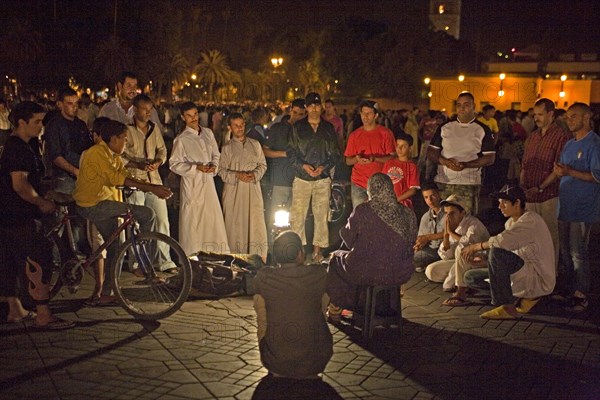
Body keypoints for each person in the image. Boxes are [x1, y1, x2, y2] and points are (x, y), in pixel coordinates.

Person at [73, 118, 172, 304]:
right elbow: (116, 177)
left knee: (115, 248)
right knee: (147, 214)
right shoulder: (96, 153)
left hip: (104, 203)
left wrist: (150, 186)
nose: (126, 143)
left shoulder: (113, 155)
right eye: (124, 139)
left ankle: (107, 293)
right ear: (114, 139)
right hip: (93, 204)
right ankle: (145, 264)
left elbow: (126, 176)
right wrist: (152, 189)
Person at [0, 101, 75, 329]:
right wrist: (41, 202)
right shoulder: (18, 149)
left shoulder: (19, 146)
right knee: (39, 259)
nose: (41, 126)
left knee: (10, 263)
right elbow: (20, 184)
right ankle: (43, 314)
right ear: (21, 122)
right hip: (20, 216)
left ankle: (15, 310)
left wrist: (49, 194)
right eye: (37, 122)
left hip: (8, 215)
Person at [326, 173, 417, 318]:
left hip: (368, 270)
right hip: (401, 271)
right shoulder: (408, 213)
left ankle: (335, 310)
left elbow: (348, 237)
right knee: (358, 257)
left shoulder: (364, 210)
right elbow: (412, 241)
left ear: (370, 190)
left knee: (336, 259)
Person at [461, 185, 555, 319]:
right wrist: (485, 261)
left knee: (495, 252)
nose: (500, 207)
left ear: (517, 203)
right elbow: (508, 252)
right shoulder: (510, 222)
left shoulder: (531, 220)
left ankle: (508, 307)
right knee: (471, 277)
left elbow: (501, 242)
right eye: (499, 203)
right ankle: (517, 298)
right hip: (521, 272)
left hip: (536, 277)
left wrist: (477, 246)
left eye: (504, 202)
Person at [253, 230, 332, 379]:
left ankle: (277, 348)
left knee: (260, 299)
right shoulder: (318, 274)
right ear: (300, 254)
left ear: (276, 257)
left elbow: (257, 285)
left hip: (276, 362)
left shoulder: (264, 276)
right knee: (323, 294)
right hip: (315, 363)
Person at [553, 102, 600, 311]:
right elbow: (562, 170)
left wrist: (570, 172)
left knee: (578, 252)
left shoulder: (594, 144)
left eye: (573, 116)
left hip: (583, 207)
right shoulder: (569, 144)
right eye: (567, 117)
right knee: (565, 252)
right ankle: (569, 289)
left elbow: (597, 176)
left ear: (586, 117)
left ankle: (582, 294)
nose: (569, 120)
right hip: (565, 206)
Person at [123, 94, 176, 272]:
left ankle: (163, 261)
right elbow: (119, 156)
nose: (148, 113)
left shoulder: (154, 129)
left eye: (150, 109)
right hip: (135, 182)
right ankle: (137, 262)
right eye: (144, 109)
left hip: (154, 181)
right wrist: (136, 163)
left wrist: (158, 162)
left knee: (162, 221)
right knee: (136, 225)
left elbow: (162, 150)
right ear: (135, 109)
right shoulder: (126, 130)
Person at [169, 102, 229, 256]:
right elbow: (174, 164)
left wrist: (213, 165)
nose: (193, 118)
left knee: (212, 219)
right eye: (189, 116)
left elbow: (216, 153)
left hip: (208, 183)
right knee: (193, 222)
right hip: (192, 185)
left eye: (195, 114)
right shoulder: (181, 139)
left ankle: (216, 254)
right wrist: (196, 168)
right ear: (183, 117)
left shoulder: (208, 133)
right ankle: (192, 258)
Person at [287, 92, 340, 263]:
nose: (315, 108)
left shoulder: (328, 128)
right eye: (311, 105)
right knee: (297, 217)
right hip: (302, 178)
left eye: (317, 105)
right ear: (306, 107)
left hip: (322, 179)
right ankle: (299, 252)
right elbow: (291, 152)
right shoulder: (297, 128)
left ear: (321, 106)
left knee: (321, 216)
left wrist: (323, 167)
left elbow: (335, 154)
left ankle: (318, 252)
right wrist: (304, 166)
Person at [520, 98, 569, 272]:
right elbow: (525, 164)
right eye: (535, 115)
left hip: (549, 195)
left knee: (549, 237)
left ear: (551, 114)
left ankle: (550, 274)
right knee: (531, 236)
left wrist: (540, 187)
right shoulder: (533, 136)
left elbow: (558, 169)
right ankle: (533, 272)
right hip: (530, 194)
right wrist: (523, 186)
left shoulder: (561, 137)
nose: (536, 118)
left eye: (540, 114)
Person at [427, 92, 495, 215]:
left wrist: (465, 165)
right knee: (442, 222)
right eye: (458, 105)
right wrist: (445, 162)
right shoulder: (445, 127)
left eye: (466, 104)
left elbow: (490, 158)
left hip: (468, 184)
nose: (461, 108)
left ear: (474, 106)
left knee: (465, 223)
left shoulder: (482, 129)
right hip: (444, 183)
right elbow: (431, 152)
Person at [219, 113, 268, 261]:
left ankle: (257, 259)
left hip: (253, 190)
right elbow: (221, 171)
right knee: (235, 226)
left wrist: (254, 175)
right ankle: (235, 260)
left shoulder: (255, 144)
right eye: (236, 126)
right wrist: (238, 175)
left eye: (242, 125)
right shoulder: (227, 148)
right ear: (230, 127)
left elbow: (263, 165)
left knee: (255, 224)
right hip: (234, 193)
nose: (240, 128)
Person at [426, 194, 489, 297]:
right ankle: (458, 280)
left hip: (477, 262)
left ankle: (459, 286)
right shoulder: (454, 225)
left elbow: (467, 245)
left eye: (452, 213)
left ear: (463, 212)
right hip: (459, 262)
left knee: (462, 251)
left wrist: (451, 232)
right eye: (446, 213)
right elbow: (446, 256)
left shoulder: (474, 224)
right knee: (432, 271)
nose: (449, 217)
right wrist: (446, 236)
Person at [344, 100, 395, 208]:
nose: (365, 117)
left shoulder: (385, 134)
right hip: (359, 183)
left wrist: (375, 159)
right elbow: (348, 161)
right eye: (363, 113)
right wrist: (356, 159)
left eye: (369, 113)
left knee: (379, 217)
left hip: (379, 183)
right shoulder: (355, 135)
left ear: (376, 115)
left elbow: (392, 158)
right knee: (360, 217)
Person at [44, 87, 94, 194]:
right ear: (60, 104)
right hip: (63, 177)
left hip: (83, 173)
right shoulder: (54, 125)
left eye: (76, 103)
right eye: (70, 103)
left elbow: (89, 147)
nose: (75, 107)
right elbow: (55, 155)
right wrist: (75, 171)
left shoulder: (81, 124)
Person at [98, 71, 163, 132]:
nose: (133, 89)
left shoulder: (148, 109)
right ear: (120, 86)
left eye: (135, 86)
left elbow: (158, 132)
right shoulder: (107, 110)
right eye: (129, 85)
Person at [413, 182, 446, 273]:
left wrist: (428, 237)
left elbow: (452, 233)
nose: (430, 200)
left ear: (439, 195)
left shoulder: (449, 212)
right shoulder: (425, 217)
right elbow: (421, 239)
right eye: (426, 197)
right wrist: (418, 245)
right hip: (430, 250)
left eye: (432, 196)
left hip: (444, 251)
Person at [382, 131, 420, 209]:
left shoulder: (411, 166)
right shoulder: (389, 163)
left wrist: (396, 200)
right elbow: (382, 181)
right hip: (387, 203)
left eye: (403, 146)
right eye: (398, 145)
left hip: (403, 204)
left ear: (410, 148)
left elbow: (413, 190)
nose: (399, 148)